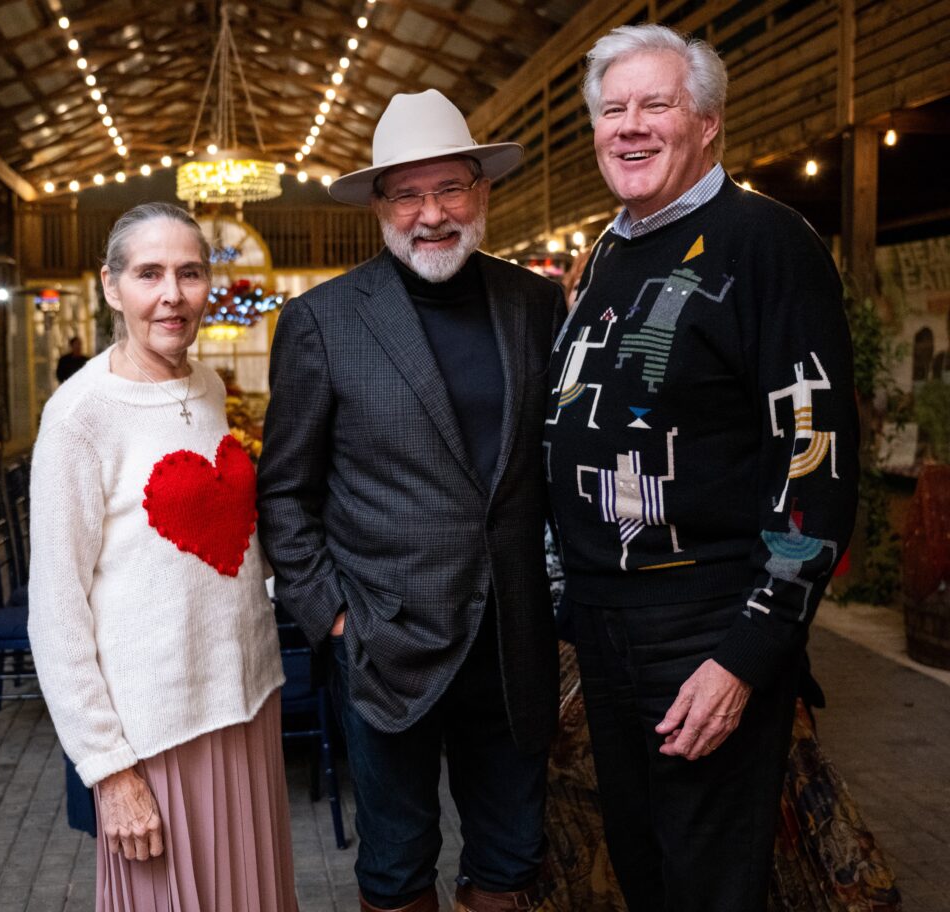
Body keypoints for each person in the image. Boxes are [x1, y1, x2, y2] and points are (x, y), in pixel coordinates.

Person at [543, 24, 859, 911]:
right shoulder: (609, 250)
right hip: (606, 625)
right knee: (646, 870)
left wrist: (750, 655)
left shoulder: (767, 242)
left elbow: (817, 465)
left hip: (702, 627)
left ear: (708, 123)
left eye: (656, 104)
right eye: (613, 110)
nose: (630, 126)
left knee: (709, 881)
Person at [257, 89, 565, 912]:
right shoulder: (322, 322)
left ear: (482, 192)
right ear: (378, 207)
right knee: (395, 867)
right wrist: (332, 617)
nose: (432, 213)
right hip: (386, 643)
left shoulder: (535, 305)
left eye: (450, 189)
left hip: (512, 642)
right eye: (408, 193)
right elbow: (284, 492)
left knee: (511, 858)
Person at [28, 202, 299, 912]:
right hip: (158, 734)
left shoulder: (206, 386)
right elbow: (55, 615)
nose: (172, 294)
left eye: (190, 272)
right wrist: (109, 772)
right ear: (112, 287)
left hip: (246, 706)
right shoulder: (80, 416)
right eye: (149, 274)